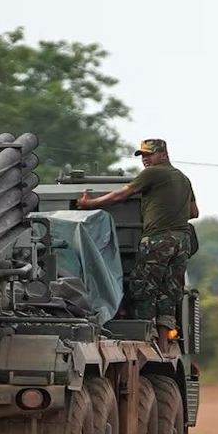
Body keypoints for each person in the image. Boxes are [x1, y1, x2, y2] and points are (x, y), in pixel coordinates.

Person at [76, 138, 198, 347]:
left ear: (164, 155)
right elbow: (194, 212)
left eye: (149, 154)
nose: (145, 159)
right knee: (169, 292)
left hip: (158, 239)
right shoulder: (183, 178)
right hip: (181, 241)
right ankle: (162, 344)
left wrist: (89, 204)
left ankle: (146, 340)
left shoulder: (154, 173)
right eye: (142, 155)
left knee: (143, 289)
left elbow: (122, 195)